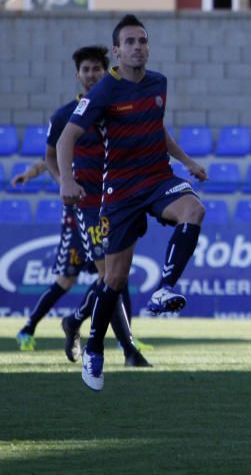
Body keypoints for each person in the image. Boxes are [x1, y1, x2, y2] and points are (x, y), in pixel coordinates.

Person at [58, 15, 208, 392]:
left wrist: (187, 162)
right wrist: (67, 180)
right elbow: (65, 139)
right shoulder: (104, 90)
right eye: (129, 42)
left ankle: (165, 287)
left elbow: (158, 127)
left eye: (142, 40)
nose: (137, 46)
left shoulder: (159, 83)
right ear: (117, 51)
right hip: (120, 190)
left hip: (157, 178)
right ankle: (93, 349)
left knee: (194, 209)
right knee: (114, 278)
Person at [13, 46, 146, 366]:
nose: (90, 75)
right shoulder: (64, 116)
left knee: (115, 277)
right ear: (77, 75)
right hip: (86, 207)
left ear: (106, 71)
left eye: (96, 69)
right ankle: (127, 349)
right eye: (85, 70)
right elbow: (50, 156)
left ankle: (75, 321)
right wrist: (63, 182)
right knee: (96, 276)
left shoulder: (116, 110)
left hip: (117, 201)